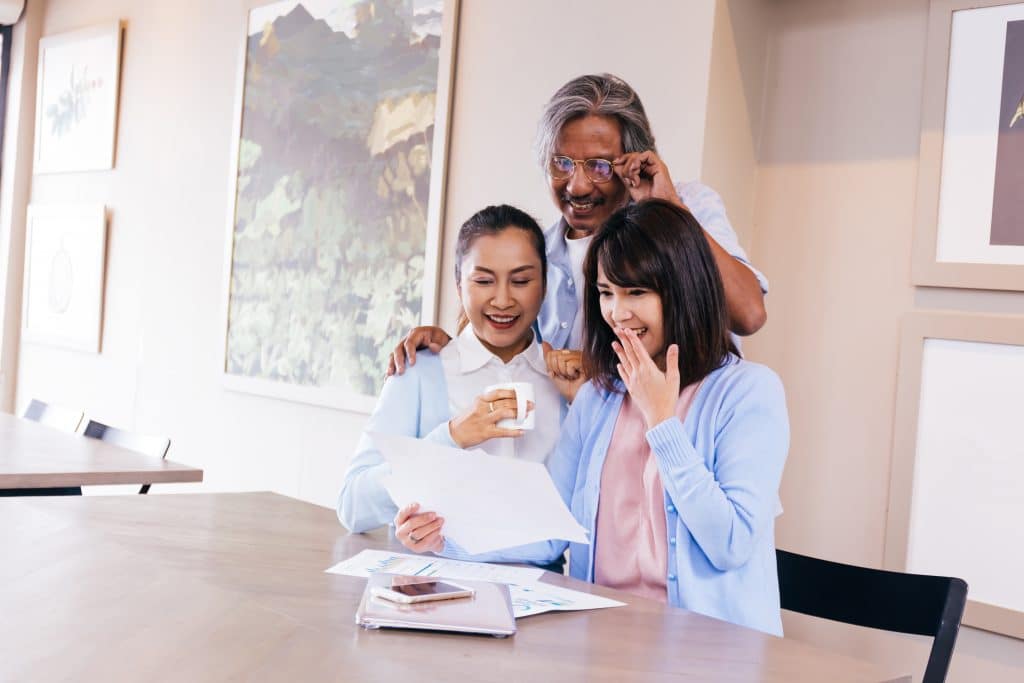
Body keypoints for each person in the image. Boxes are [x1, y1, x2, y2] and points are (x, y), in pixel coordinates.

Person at [392, 200, 789, 636]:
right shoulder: (598, 398)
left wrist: (663, 423)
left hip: (710, 652)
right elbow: (550, 528)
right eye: (606, 293)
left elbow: (730, 544)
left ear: (682, 288)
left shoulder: (749, 392)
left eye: (636, 292)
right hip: (602, 643)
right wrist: (444, 541)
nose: (618, 313)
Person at [388, 73, 768, 399]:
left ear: (635, 159)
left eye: (600, 166)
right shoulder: (536, 252)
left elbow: (749, 314)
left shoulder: (689, 206)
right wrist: (447, 351)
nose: (578, 186)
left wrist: (668, 207)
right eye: (562, 163)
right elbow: (500, 359)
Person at [337, 205, 565, 536]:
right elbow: (353, 506)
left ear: (544, 285)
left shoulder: (567, 385)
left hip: (540, 586)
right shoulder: (419, 373)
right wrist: (452, 436)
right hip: (429, 581)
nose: (502, 300)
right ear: (459, 285)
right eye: (484, 280)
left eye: (521, 280)